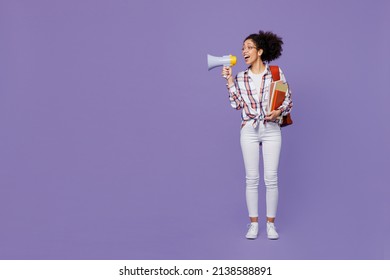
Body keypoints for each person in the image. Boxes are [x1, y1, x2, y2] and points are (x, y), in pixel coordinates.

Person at [222, 30, 293, 240]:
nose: (244, 51)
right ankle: (253, 224)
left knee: (271, 179)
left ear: (260, 51)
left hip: (271, 129)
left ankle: (271, 224)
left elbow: (288, 100)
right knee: (251, 179)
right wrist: (229, 82)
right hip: (249, 129)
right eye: (243, 48)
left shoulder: (276, 73)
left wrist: (278, 111)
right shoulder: (241, 77)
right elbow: (236, 105)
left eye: (249, 47)